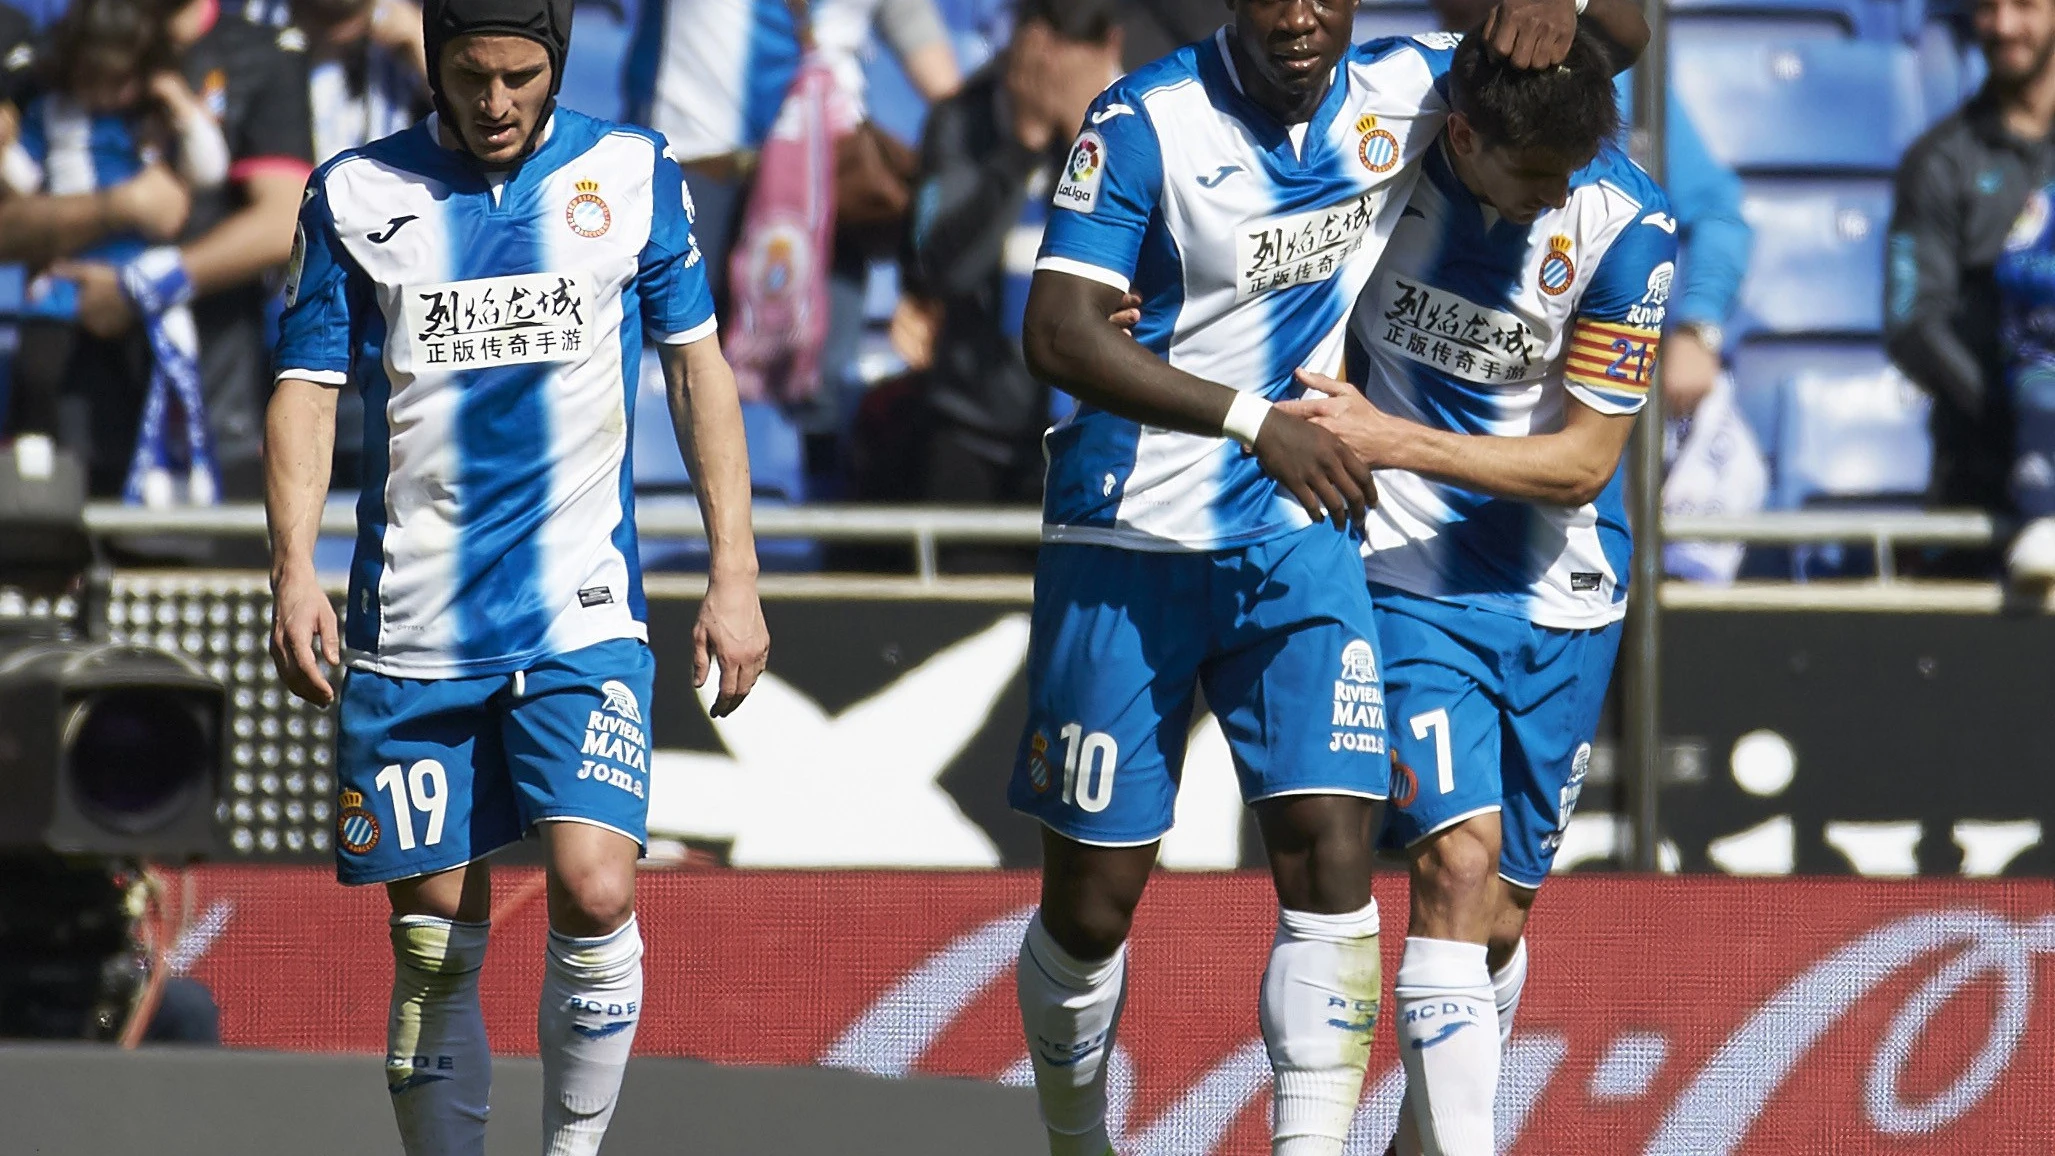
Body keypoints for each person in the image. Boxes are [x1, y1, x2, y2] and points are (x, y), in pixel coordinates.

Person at [1007, 1, 1647, 1153]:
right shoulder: (1145, 118)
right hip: (1128, 535)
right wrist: (1255, 420)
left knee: (1333, 859)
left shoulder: (1412, 91)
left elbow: (1607, 49)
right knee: (1092, 906)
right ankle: (1073, 1137)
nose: (1299, 14)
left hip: (1296, 532)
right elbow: (1055, 334)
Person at [264, 0, 769, 1152]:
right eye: (471, 76)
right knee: (435, 938)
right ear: (436, 63)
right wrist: (294, 567)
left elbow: (699, 373)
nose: (496, 103)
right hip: (412, 628)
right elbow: (305, 387)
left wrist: (733, 571)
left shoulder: (633, 176)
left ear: (558, 62)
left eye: (520, 77)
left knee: (596, 885)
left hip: (575, 611)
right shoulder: (353, 195)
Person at [1278, 28, 1672, 1156]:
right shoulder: (1385, 136)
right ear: (1462, 137)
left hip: (1563, 593)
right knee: (1452, 863)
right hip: (1403, 578)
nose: (1557, 199)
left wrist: (1385, 435)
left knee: (1495, 922)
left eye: (1569, 177)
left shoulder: (1626, 225)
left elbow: (1584, 464)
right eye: (1534, 178)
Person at [896, 0, 1120, 565]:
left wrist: (1082, 144)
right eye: (1043, 42)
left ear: (1109, 47)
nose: (1054, 67)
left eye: (1074, 47)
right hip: (975, 429)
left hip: (1097, 430)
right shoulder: (964, 120)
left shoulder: (1138, 124)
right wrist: (1020, 148)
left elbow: (1155, 265)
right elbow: (940, 269)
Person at [0, 0, 229, 507]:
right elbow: (22, 179)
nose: (104, 94)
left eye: (118, 80)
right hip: (61, 278)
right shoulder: (50, 112)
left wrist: (179, 104)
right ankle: (33, 463)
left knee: (148, 378)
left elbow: (209, 169)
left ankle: (161, 481)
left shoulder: (151, 121)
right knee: (41, 370)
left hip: (138, 282)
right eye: (91, 78)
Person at [1889, 0, 2055, 573]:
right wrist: (2021, 417)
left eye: (2025, 7)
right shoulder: (1938, 161)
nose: (2004, 25)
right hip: (1978, 494)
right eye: (1988, 7)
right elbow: (1912, 322)